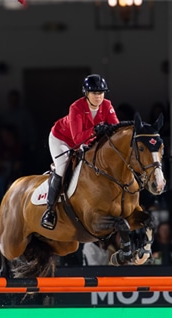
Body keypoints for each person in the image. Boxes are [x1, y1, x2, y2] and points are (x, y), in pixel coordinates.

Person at [42, 74, 119, 230]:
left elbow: (115, 128)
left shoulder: (107, 105)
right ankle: (49, 211)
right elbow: (78, 139)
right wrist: (97, 129)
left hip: (88, 141)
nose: (99, 97)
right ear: (86, 93)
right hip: (63, 139)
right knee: (63, 168)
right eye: (95, 93)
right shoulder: (76, 107)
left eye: (101, 93)